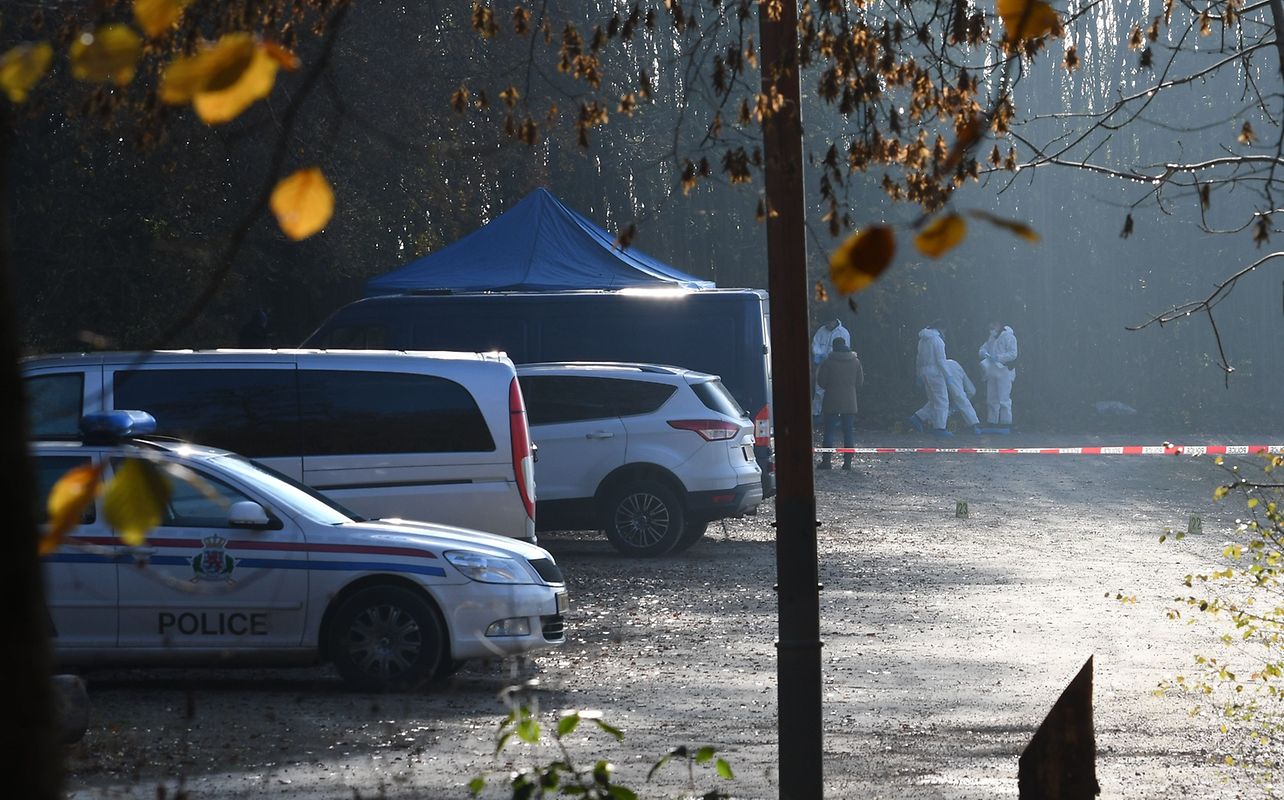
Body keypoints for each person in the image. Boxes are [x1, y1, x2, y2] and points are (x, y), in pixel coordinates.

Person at [816, 336, 863, 470]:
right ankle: (847, 463)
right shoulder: (855, 361)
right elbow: (860, 382)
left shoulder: (828, 362)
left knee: (829, 432)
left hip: (831, 400)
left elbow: (821, 382)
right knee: (848, 432)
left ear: (834, 347)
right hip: (850, 402)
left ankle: (826, 461)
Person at [908, 322, 951, 436]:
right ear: (941, 328)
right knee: (942, 400)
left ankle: (918, 417)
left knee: (933, 400)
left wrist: (918, 374)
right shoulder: (937, 340)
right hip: (936, 373)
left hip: (924, 372)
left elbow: (919, 358)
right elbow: (941, 360)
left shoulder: (922, 340)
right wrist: (948, 376)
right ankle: (940, 428)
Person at [979, 321, 1018, 430]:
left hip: (1004, 370)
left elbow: (1013, 354)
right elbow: (983, 348)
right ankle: (992, 421)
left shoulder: (1009, 337)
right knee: (991, 397)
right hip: (992, 370)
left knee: (1004, 398)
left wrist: (999, 357)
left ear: (1000, 325)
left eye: (994, 325)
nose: (991, 327)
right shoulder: (992, 337)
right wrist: (984, 353)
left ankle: (1006, 423)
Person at [811, 318, 850, 417]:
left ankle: (836, 415)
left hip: (837, 366)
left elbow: (845, 350)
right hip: (822, 364)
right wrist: (819, 354)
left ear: (834, 321)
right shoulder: (821, 330)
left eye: (828, 322)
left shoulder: (843, 333)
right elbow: (815, 344)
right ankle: (816, 414)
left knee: (836, 390)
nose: (826, 325)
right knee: (819, 390)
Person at [943, 358, 982, 435]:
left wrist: (954, 408)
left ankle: (973, 424)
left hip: (950, 366)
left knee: (960, 396)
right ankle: (974, 424)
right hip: (951, 365)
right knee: (960, 396)